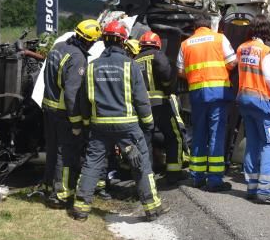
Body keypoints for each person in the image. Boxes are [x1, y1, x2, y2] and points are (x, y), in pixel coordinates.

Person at [71, 21, 166, 221]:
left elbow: (84, 99)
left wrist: (86, 123)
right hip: (128, 126)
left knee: (92, 165)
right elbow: (141, 98)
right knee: (140, 164)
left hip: (99, 126)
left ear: (104, 40)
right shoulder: (129, 65)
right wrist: (148, 123)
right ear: (124, 41)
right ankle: (152, 208)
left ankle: (81, 208)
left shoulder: (92, 66)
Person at [40, 19, 102, 208]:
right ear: (90, 41)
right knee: (64, 154)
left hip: (48, 109)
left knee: (52, 150)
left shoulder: (58, 47)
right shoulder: (77, 58)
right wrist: (76, 123)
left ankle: (48, 187)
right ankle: (62, 195)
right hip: (63, 113)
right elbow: (72, 94)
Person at [235, 15, 270, 204]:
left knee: (252, 142)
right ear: (266, 31)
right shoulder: (264, 51)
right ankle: (266, 189)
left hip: (244, 100)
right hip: (262, 103)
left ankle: (252, 187)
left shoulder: (242, 48)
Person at [178, 15, 237, 191]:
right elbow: (232, 62)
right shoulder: (219, 38)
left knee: (199, 134)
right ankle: (214, 180)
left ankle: (196, 176)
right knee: (216, 134)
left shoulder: (186, 44)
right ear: (208, 25)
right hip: (218, 93)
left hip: (197, 95)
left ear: (195, 27)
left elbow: (180, 71)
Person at [134, 31, 186, 185]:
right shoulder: (157, 55)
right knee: (174, 135)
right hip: (160, 105)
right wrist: (170, 89)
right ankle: (174, 172)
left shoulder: (134, 60)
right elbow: (167, 73)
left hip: (140, 107)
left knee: (145, 140)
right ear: (157, 44)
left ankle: (147, 177)